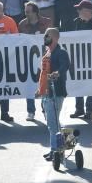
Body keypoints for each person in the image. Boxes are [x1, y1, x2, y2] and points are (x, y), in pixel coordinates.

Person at [36, 27, 70, 161]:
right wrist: (40, 90)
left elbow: (65, 65)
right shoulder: (48, 52)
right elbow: (44, 73)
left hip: (56, 91)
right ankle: (61, 146)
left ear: (55, 38)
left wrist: (58, 73)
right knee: (53, 122)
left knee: (52, 123)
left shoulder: (61, 52)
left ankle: (56, 150)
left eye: (47, 36)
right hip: (46, 92)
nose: (45, 38)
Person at [70, 1, 92, 120]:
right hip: (78, 58)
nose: (78, 11)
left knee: (91, 84)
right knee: (78, 83)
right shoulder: (76, 22)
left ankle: (89, 110)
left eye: (80, 9)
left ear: (87, 11)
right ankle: (79, 109)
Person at [18, 2, 52, 120]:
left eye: (28, 11)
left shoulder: (47, 22)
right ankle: (31, 111)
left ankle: (45, 110)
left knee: (44, 84)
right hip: (29, 59)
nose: (25, 13)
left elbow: (52, 37)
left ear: (35, 12)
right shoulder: (22, 24)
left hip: (44, 58)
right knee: (29, 85)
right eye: (25, 11)